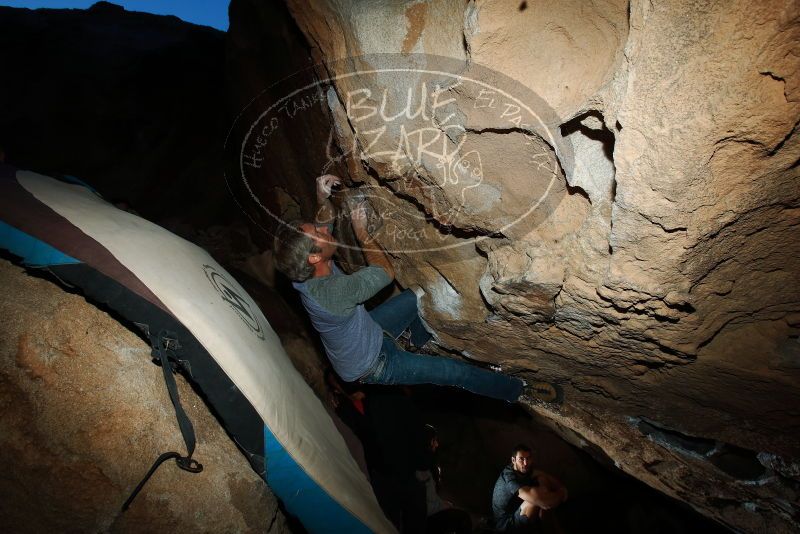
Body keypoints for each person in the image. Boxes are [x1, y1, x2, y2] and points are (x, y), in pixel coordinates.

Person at [274, 174, 553, 403]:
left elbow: (322, 226)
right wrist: (362, 233)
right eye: (319, 234)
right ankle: (519, 390)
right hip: (372, 364)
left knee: (418, 296)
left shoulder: (303, 272)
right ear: (314, 257)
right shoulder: (332, 294)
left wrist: (322, 197)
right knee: (452, 373)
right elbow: (385, 272)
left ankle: (415, 343)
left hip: (365, 331)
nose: (325, 230)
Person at [492, 444, 568, 533]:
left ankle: (548, 524)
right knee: (535, 500)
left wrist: (562, 488)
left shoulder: (525, 469)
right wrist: (562, 493)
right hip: (506, 525)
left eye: (528, 458)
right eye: (521, 459)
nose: (525, 463)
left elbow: (544, 476)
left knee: (542, 481)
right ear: (513, 460)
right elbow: (541, 500)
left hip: (518, 511)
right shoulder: (509, 478)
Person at [415, 424, 471, 534]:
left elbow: (431, 497)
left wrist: (442, 503)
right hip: (422, 519)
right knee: (463, 519)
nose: (437, 444)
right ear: (427, 442)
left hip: (429, 511)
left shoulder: (428, 463)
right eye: (434, 440)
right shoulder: (420, 468)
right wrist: (442, 506)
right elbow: (422, 506)